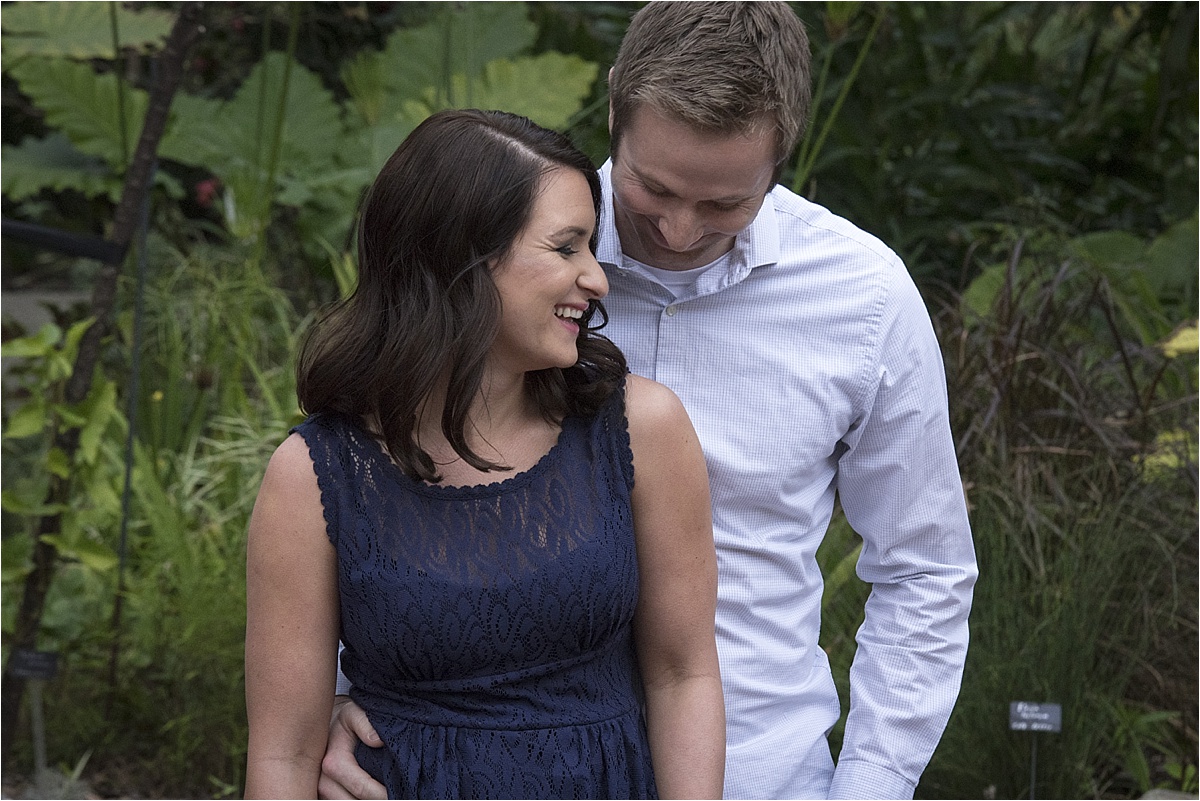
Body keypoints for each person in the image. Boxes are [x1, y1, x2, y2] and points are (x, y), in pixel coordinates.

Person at [318, 3, 978, 799]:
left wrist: (872, 782)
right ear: (614, 114)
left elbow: (925, 567)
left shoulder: (865, 300)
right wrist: (324, 702)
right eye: (652, 187)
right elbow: (362, 489)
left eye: (726, 204)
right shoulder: (505, 258)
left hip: (762, 776)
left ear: (782, 159)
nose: (676, 228)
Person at [244, 108, 725, 799]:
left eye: (591, 248)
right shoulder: (317, 473)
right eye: (566, 248)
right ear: (461, 258)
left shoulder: (640, 427)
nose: (596, 279)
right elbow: (283, 756)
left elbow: (684, 675)